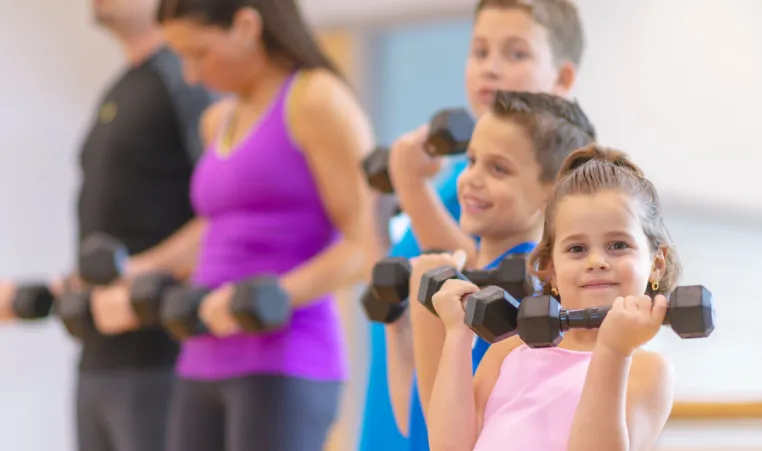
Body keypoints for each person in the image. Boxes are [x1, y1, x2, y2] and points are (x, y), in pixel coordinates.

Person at [360, 1, 587, 450]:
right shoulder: (456, 192)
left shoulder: (557, 228)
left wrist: (410, 187)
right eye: (480, 52)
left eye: (516, 54)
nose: (492, 69)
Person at [157, 1, 379, 450]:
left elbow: (366, 241)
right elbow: (216, 229)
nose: (191, 75)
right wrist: (137, 269)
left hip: (286, 359)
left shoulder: (316, 99)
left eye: (199, 53)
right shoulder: (217, 119)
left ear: (246, 25)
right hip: (201, 358)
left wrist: (273, 295)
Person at [0, 1, 214, 450]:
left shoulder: (186, 79)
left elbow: (223, 217)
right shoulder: (123, 87)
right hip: (98, 353)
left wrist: (140, 276)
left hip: (159, 356)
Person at [427, 145, 679, 450]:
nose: (596, 261)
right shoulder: (508, 351)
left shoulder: (647, 370)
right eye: (577, 249)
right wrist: (457, 335)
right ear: (550, 269)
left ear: (657, 264)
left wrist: (613, 350)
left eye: (618, 245)